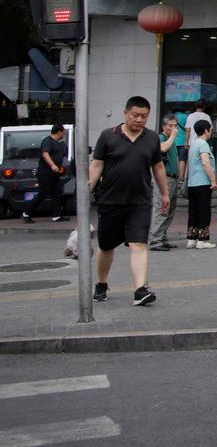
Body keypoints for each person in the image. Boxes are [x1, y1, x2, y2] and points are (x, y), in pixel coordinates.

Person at [88, 96, 168, 306]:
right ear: (125, 113)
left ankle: (140, 290)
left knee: (139, 244)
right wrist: (88, 187)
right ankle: (102, 283)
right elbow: (97, 165)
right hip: (110, 201)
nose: (140, 120)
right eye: (136, 115)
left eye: (144, 116)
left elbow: (158, 168)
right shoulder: (108, 136)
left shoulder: (152, 138)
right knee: (106, 247)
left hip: (140, 201)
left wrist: (165, 193)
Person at [23, 124, 68, 223]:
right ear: (59, 132)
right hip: (45, 173)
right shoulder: (48, 141)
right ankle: (26, 213)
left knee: (56, 193)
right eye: (63, 132)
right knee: (42, 193)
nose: (64, 134)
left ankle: (56, 215)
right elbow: (45, 153)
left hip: (55, 173)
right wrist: (52, 165)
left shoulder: (57, 143)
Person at [148, 116, 181, 249]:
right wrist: (173, 136)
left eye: (175, 126)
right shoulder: (161, 138)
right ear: (163, 126)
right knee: (162, 207)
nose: (173, 129)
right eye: (170, 126)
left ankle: (163, 237)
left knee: (170, 209)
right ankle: (155, 240)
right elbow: (162, 149)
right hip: (164, 178)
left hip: (173, 178)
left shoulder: (170, 139)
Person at [185, 120, 217, 249]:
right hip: (203, 183)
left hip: (192, 183)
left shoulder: (193, 144)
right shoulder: (203, 144)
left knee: (193, 211)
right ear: (206, 130)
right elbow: (205, 163)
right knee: (204, 211)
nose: (211, 131)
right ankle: (202, 240)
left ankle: (192, 239)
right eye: (210, 129)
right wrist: (213, 180)